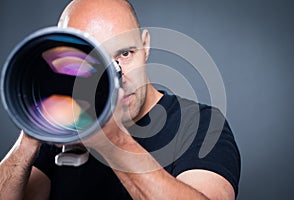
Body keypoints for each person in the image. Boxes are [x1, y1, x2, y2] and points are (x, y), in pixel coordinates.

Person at [0, 0, 241, 199]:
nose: (116, 77)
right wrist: (29, 139)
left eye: (124, 54)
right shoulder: (65, 125)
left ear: (145, 46)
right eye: (93, 63)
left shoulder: (200, 124)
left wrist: (112, 140)